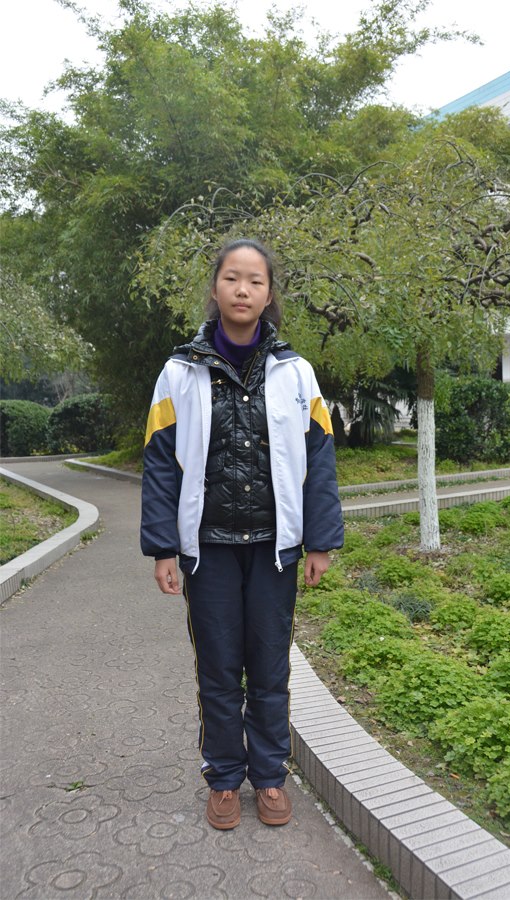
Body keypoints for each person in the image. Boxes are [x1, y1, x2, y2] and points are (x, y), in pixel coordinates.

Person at [140, 238, 344, 831]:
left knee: (270, 668)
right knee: (219, 670)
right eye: (233, 278)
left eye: (255, 280)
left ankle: (271, 777)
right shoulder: (179, 372)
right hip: (208, 552)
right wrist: (162, 548)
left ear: (269, 293)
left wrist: (321, 540)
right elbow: (160, 463)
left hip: (275, 550)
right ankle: (225, 779)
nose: (243, 290)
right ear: (216, 287)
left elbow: (319, 459)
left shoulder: (296, 372)